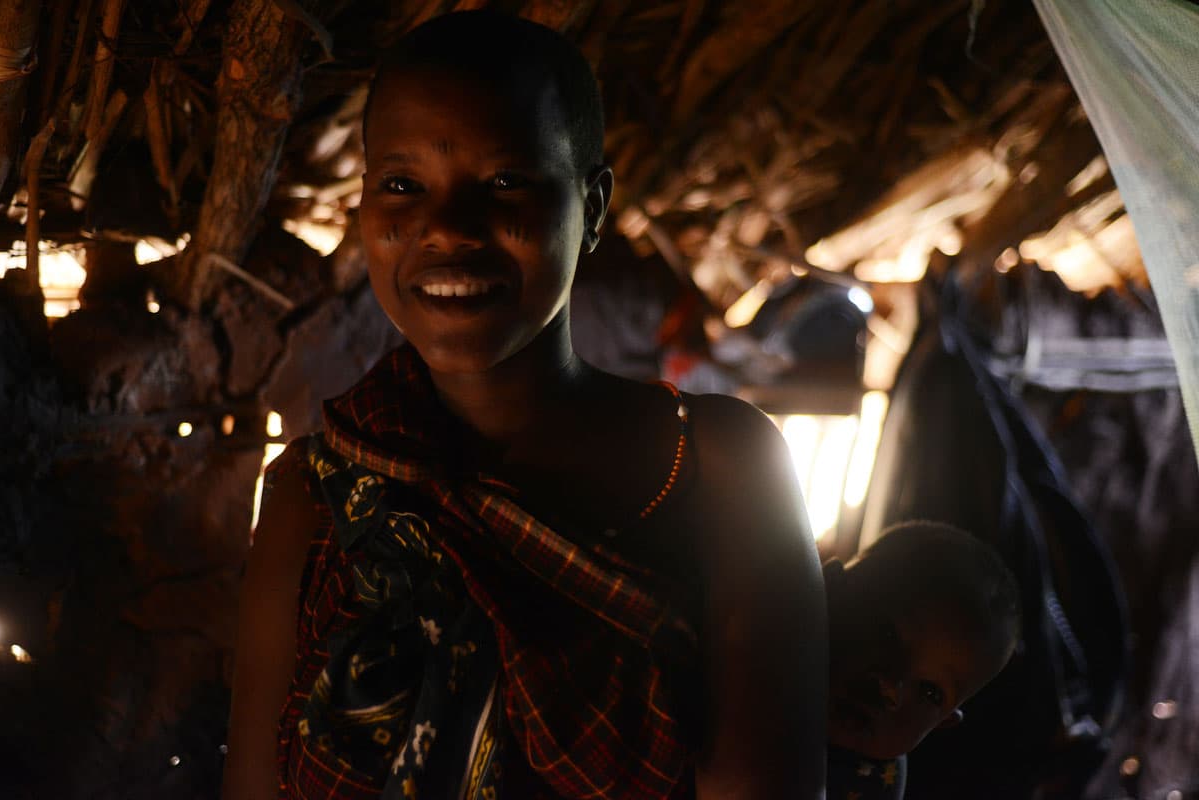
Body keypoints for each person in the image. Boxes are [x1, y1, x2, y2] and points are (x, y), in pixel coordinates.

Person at [222, 11, 826, 800]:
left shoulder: (721, 463)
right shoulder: (314, 490)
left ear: (595, 206)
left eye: (506, 181)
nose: (447, 229)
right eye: (401, 185)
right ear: (363, 207)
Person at [822, 521, 1021, 799]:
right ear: (829, 586)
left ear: (941, 723)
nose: (891, 686)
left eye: (930, 692)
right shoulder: (762, 641)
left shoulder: (878, 783)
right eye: (887, 635)